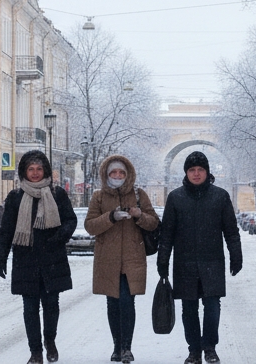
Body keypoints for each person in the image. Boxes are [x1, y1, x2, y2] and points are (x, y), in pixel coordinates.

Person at [158, 151, 241, 364]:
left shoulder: (220, 196)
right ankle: (194, 350)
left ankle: (210, 347)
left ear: (207, 172)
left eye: (200, 170)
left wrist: (236, 254)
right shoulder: (176, 197)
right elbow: (167, 232)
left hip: (212, 261)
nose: (196, 174)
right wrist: (163, 259)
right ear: (186, 172)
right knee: (189, 309)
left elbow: (230, 230)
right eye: (192, 170)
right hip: (184, 263)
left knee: (212, 306)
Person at [0, 150, 76, 364]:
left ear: (46, 171)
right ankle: (35, 351)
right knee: (30, 308)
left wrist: (59, 236)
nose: (35, 173)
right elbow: (7, 229)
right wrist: (0, 257)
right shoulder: (15, 197)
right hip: (26, 259)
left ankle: (50, 341)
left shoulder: (57, 194)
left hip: (52, 258)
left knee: (51, 305)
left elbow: (70, 220)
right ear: (24, 171)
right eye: (31, 169)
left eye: (39, 169)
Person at [86, 155, 160, 363]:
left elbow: (153, 223)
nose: (117, 176)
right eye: (113, 172)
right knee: (113, 303)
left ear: (128, 174)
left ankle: (127, 347)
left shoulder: (139, 194)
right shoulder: (99, 197)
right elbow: (90, 226)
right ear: (106, 175)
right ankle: (116, 347)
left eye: (121, 172)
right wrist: (111, 217)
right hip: (107, 259)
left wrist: (139, 215)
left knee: (127, 302)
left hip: (132, 258)